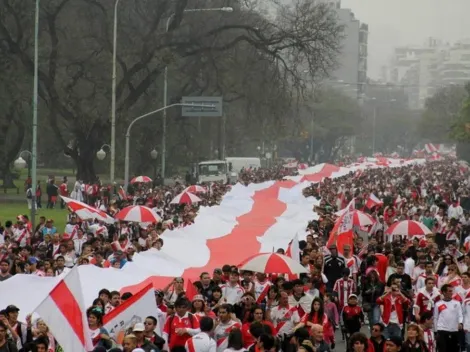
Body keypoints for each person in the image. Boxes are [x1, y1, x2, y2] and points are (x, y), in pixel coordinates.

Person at [434, 284, 463, 351]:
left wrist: (460, 323)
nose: (451, 292)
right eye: (449, 291)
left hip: (454, 330)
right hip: (442, 330)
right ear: (444, 292)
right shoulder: (438, 304)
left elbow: (460, 315)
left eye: (451, 291)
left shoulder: (457, 303)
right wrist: (435, 331)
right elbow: (435, 318)